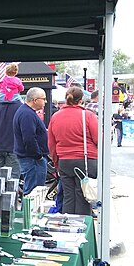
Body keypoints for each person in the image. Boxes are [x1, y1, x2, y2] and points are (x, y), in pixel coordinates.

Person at [48, 86, 99, 215]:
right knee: (83, 196)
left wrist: (56, 162)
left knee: (68, 195)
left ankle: (68, 225)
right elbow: (99, 139)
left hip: (64, 161)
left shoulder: (56, 117)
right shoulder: (88, 116)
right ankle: (83, 228)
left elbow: (51, 144)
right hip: (86, 160)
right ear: (81, 100)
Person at [13, 87, 49, 195]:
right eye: (44, 99)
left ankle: (30, 211)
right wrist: (38, 156)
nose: (45, 101)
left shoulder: (26, 112)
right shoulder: (27, 114)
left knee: (33, 191)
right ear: (35, 100)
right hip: (32, 159)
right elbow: (29, 138)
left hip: (31, 158)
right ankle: (29, 212)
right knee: (34, 192)